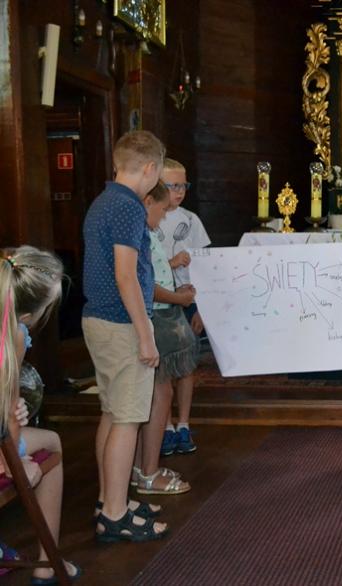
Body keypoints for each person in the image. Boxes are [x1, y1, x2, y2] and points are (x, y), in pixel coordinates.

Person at [82, 130, 168, 543]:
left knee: (112, 413)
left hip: (98, 319)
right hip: (121, 323)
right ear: (150, 168)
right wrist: (145, 333)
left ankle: (108, 499)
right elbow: (126, 276)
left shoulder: (103, 200)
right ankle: (115, 516)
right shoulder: (129, 206)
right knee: (128, 418)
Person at [0, 246, 82, 583]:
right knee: (52, 446)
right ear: (30, 314)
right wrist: (16, 465)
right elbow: (7, 414)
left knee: (39, 433)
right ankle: (48, 563)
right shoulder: (14, 336)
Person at [132, 181, 193, 496]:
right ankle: (148, 470)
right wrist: (177, 298)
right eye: (161, 210)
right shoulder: (141, 235)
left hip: (159, 312)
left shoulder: (148, 233)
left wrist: (175, 290)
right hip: (154, 315)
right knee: (159, 393)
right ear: (147, 202)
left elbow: (156, 274)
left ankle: (141, 468)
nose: (163, 217)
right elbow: (147, 285)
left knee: (155, 392)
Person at [156, 158, 209, 457]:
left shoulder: (190, 220)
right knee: (164, 367)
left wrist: (202, 307)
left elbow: (204, 266)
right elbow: (144, 267)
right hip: (161, 302)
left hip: (189, 300)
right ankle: (164, 425)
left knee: (187, 365)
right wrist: (172, 262)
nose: (179, 191)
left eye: (183, 185)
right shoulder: (150, 218)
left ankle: (184, 424)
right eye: (172, 185)